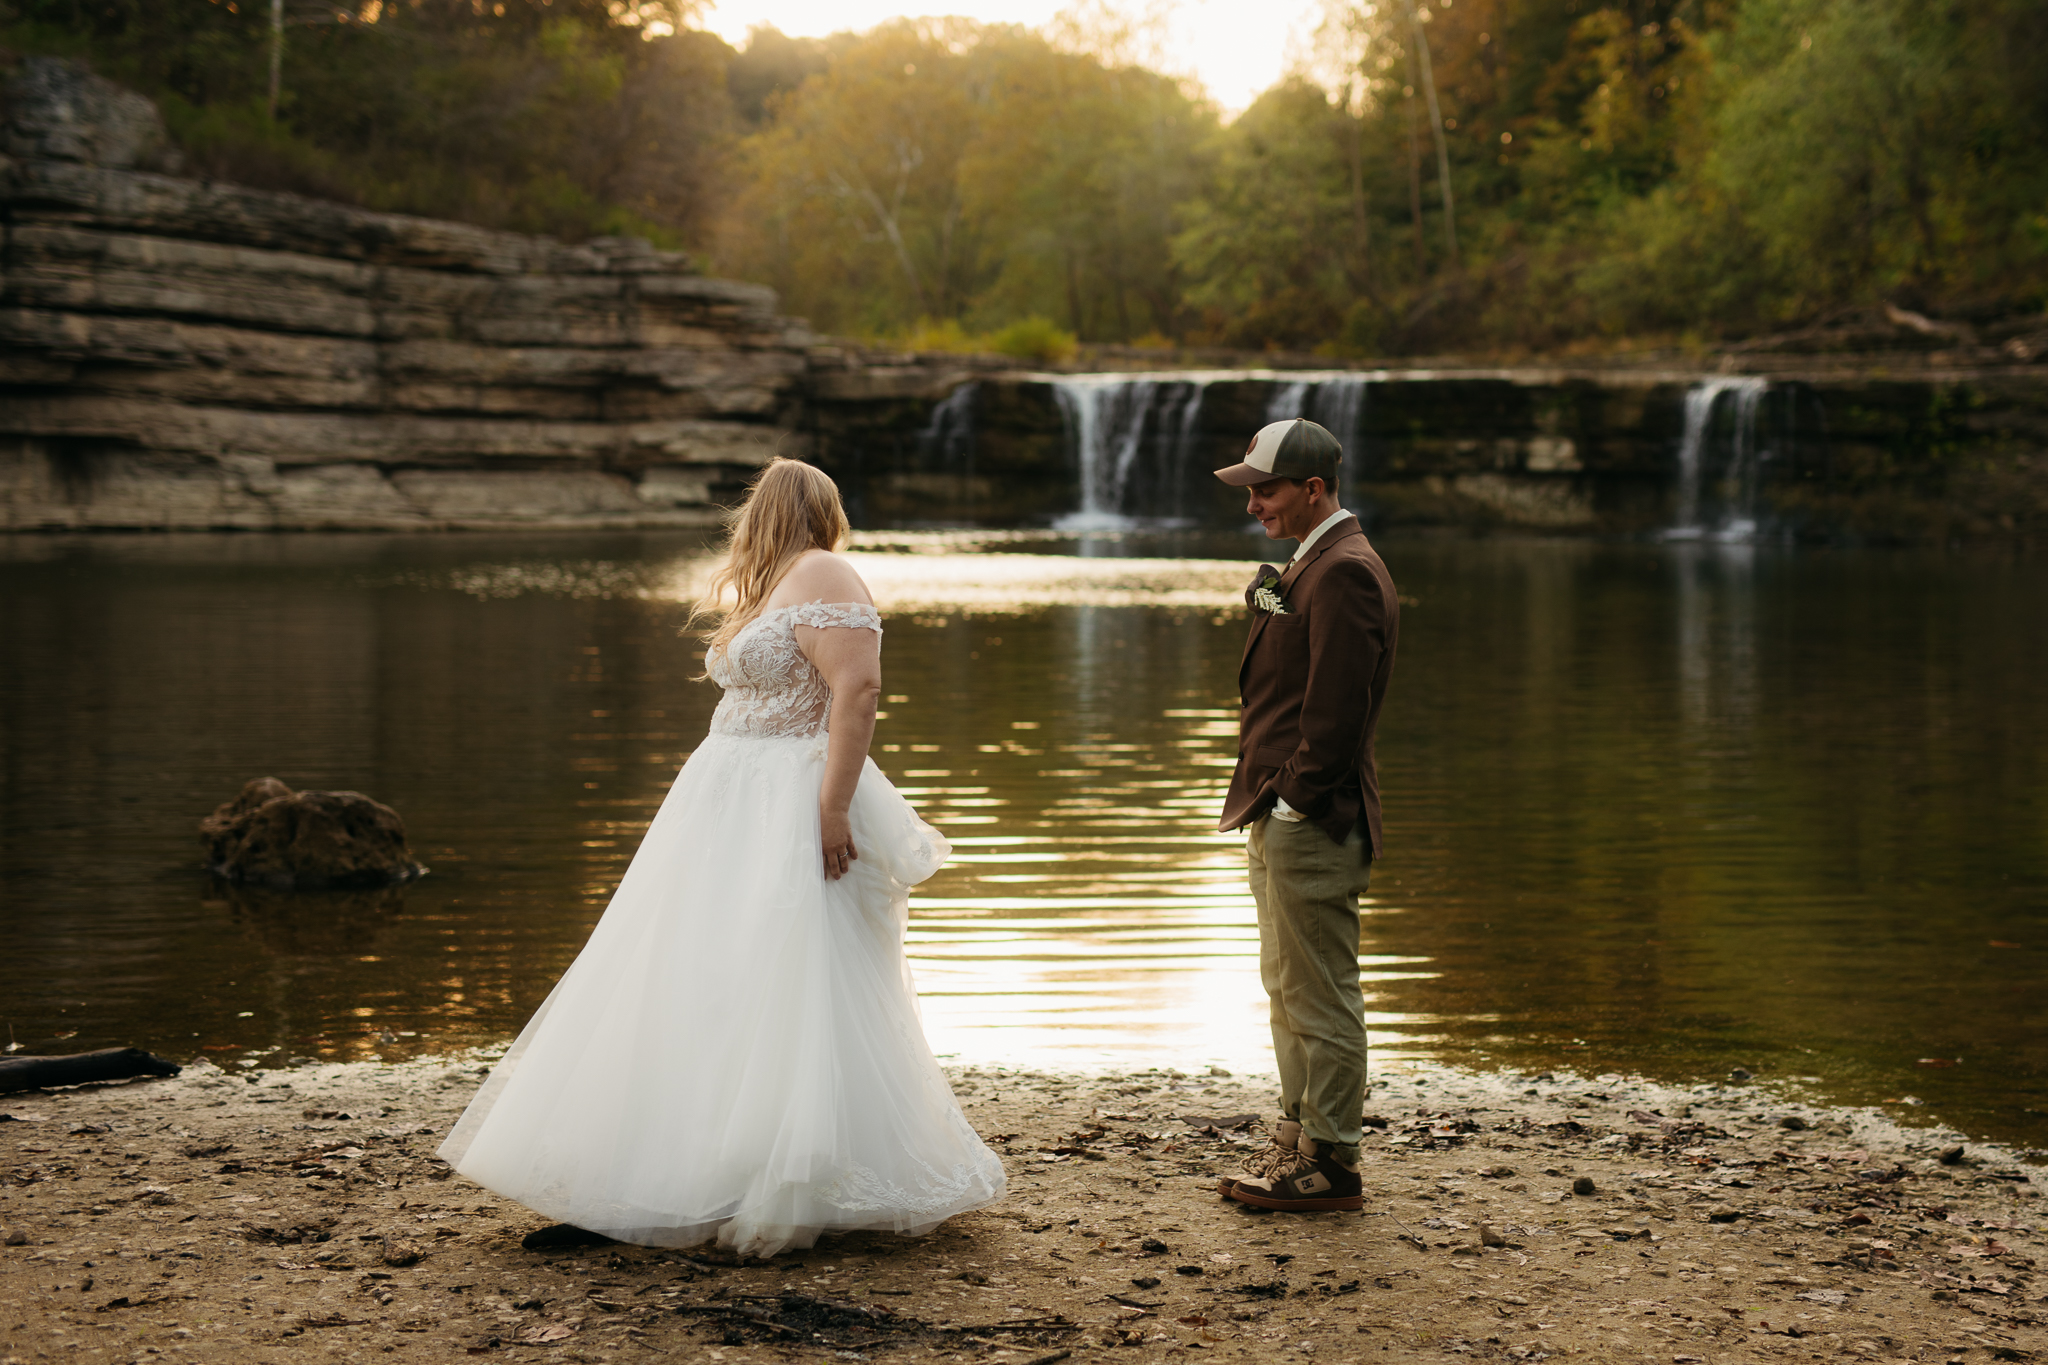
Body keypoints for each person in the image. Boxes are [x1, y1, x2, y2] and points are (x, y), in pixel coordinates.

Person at [437, 458, 1005, 1256]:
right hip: (726, 799)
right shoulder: (774, 581)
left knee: (791, 977)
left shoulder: (824, 571)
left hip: (791, 798)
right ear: (823, 509)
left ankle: (783, 1179)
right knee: (697, 973)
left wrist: (833, 807)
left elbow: (859, 689)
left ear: (769, 511)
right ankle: (665, 1174)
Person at [1209, 419, 1400, 1213]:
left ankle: (1334, 1161)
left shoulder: (1347, 570)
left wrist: (1291, 804)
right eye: (1251, 488)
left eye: (1267, 487)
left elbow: (1336, 714)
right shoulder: (1311, 561)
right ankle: (1299, 1137)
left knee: (1320, 995)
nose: (1253, 501)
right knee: (1287, 985)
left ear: (1313, 489)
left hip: (1312, 818)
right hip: (1280, 810)